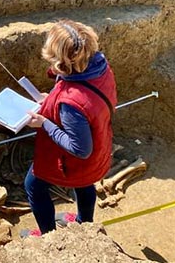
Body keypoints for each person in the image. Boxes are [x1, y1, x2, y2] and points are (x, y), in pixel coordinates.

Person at [22, 19, 117, 236]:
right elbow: (86, 99)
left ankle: (50, 238)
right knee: (85, 183)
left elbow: (80, 149)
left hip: (74, 161)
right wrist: (52, 99)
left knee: (33, 187)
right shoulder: (100, 68)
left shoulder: (71, 104)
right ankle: (85, 225)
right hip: (100, 145)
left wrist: (45, 123)